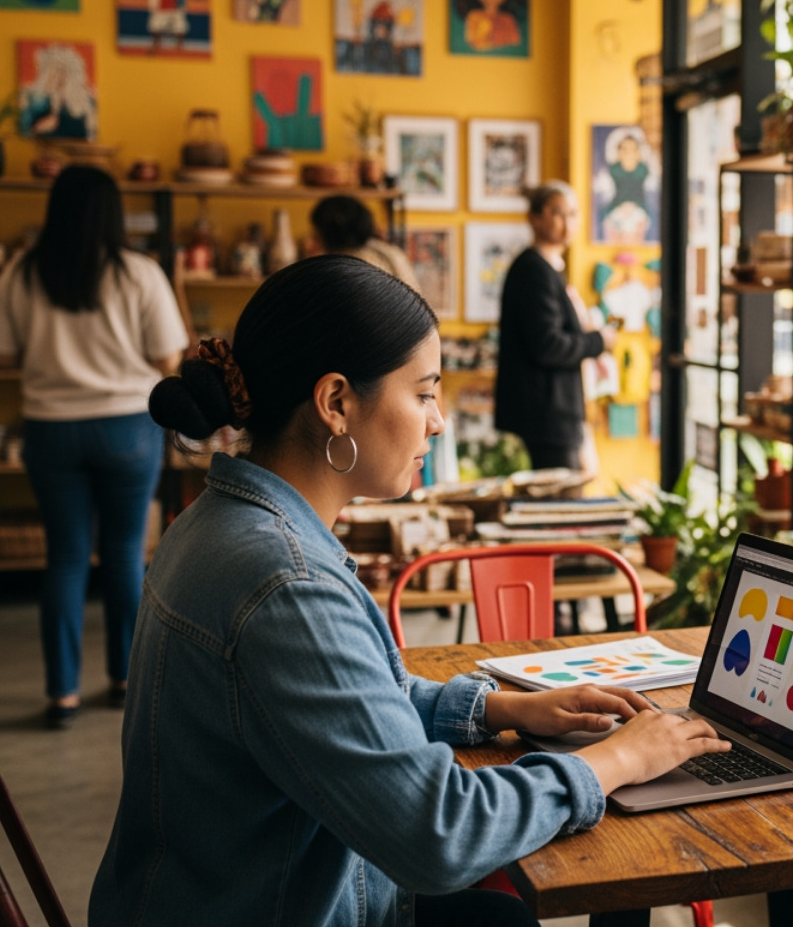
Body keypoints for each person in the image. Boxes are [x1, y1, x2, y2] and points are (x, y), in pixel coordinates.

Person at [90, 255, 725, 927]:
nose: (439, 421)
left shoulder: (224, 520)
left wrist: (507, 709)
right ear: (336, 402)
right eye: (423, 393)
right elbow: (438, 837)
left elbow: (349, 704)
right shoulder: (285, 583)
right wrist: (618, 759)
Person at [0, 166, 189, 727]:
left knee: (66, 558)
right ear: (113, 212)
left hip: (51, 427)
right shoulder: (139, 273)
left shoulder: (23, 272)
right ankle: (125, 679)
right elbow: (169, 359)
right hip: (127, 424)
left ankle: (62, 694)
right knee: (125, 554)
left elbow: (1, 355)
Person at [495, 182, 617, 471]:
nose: (568, 222)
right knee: (559, 503)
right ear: (534, 218)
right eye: (558, 212)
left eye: (573, 214)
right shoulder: (533, 270)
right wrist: (599, 341)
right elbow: (547, 345)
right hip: (547, 416)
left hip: (556, 413)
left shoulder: (549, 268)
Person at [308, 194, 421, 293]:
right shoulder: (389, 251)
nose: (314, 237)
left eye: (316, 231)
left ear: (327, 232)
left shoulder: (344, 266)